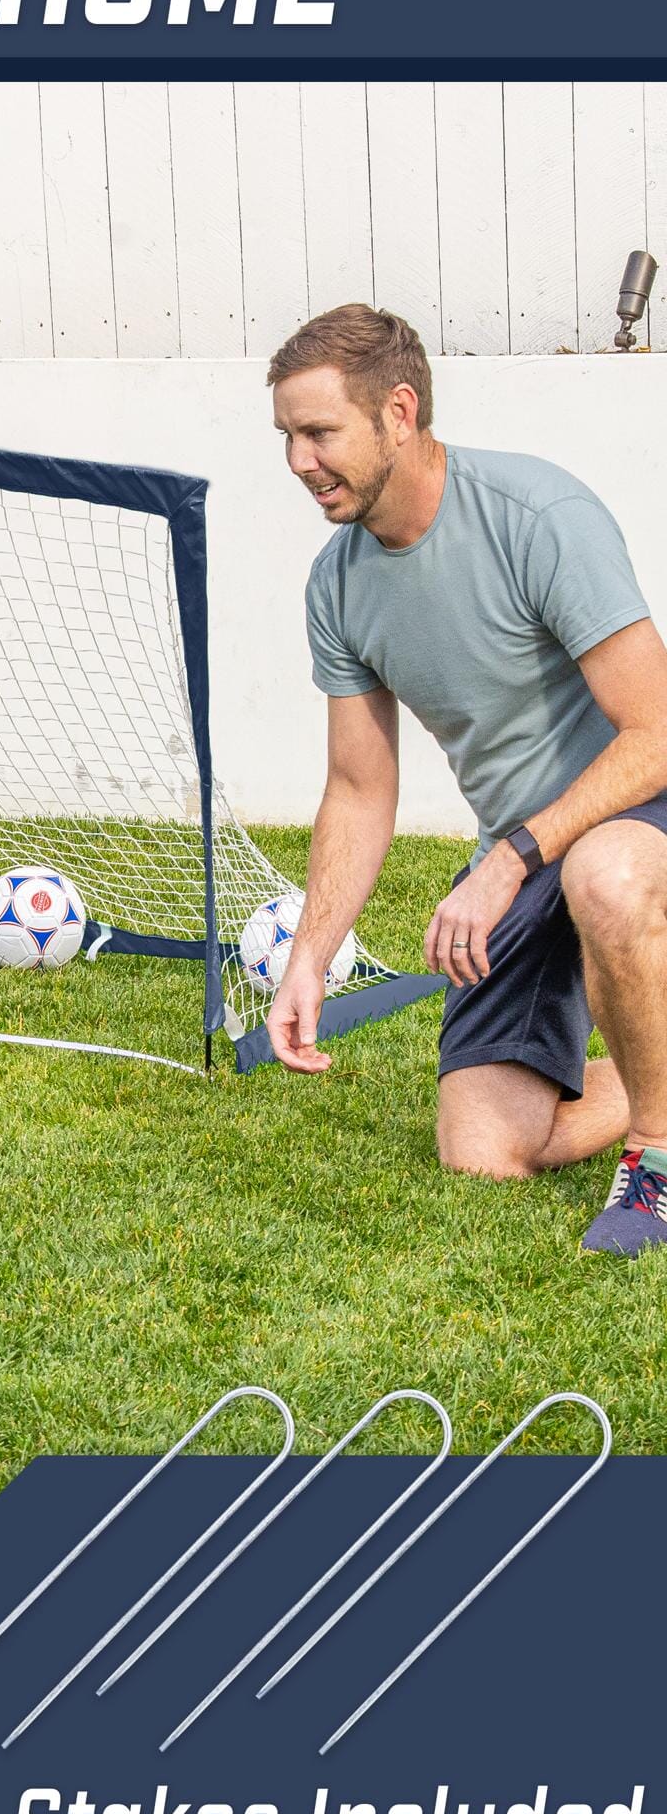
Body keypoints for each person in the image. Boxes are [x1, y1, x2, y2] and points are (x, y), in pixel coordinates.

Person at [264, 305, 667, 1255]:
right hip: (524, 859)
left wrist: (513, 857)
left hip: (634, 810)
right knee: (485, 1150)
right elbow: (361, 790)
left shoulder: (537, 516)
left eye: (319, 433)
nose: (298, 463)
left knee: (602, 876)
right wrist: (311, 956)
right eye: (286, 437)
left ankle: (655, 1164)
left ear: (398, 413)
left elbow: (655, 732)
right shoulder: (338, 586)